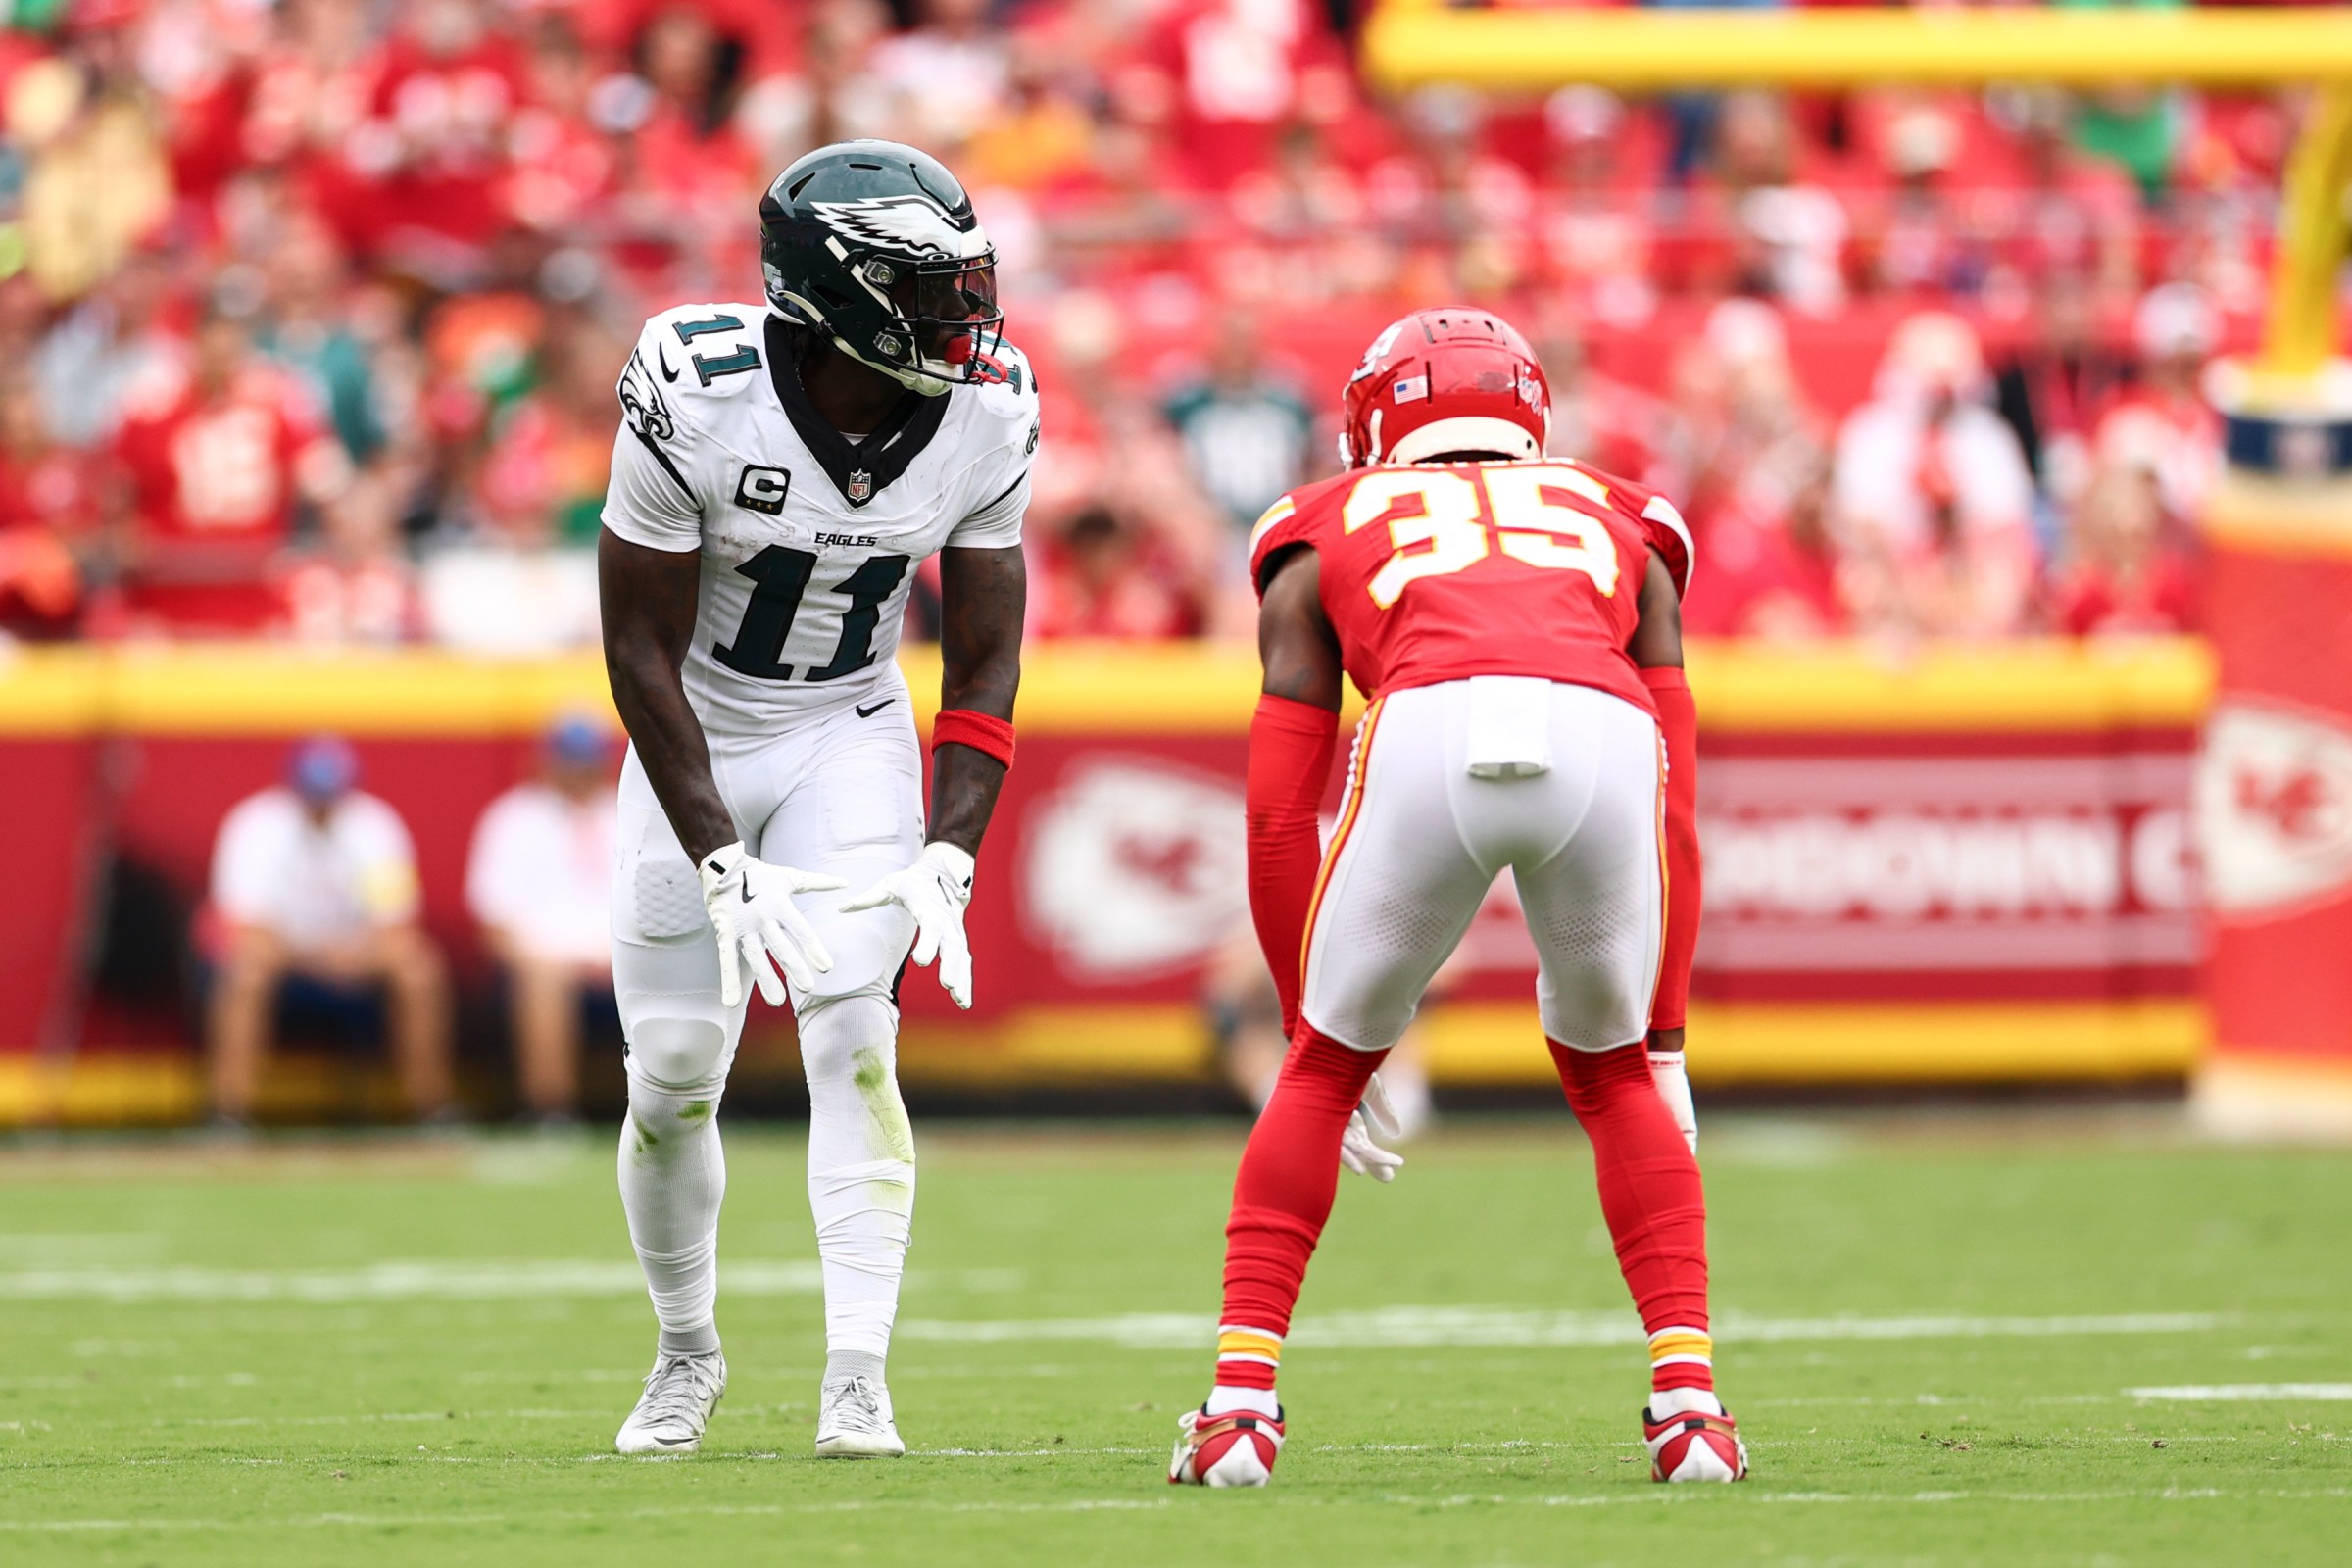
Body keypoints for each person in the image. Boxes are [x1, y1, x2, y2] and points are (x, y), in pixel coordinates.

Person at [1167, 308, 1739, 1489]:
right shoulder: (1624, 514)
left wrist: (1301, 1035)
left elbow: (1279, 812)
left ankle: (1239, 1410)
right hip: (1602, 729)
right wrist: (1670, 1029)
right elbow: (1678, 802)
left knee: (1323, 1069)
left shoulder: (1320, 523)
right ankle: (1691, 1412)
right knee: (1617, 1070)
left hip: (1426, 721)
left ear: (1377, 419)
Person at [597, 140, 1033, 1459]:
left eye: (970, 283)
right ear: (837, 292)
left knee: (855, 1033)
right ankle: (687, 1352)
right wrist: (719, 855)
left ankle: (858, 1376)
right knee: (674, 1073)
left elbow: (988, 652)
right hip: (701, 727)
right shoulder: (698, 384)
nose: (968, 317)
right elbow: (634, 651)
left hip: (850, 722)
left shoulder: (992, 406)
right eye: (932, 288)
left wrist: (952, 850)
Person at [206, 735, 453, 1126]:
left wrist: (354, 953)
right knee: (246, 971)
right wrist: (314, 956)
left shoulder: (374, 824)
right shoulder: (256, 824)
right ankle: (228, 1111)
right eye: (313, 792)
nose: (322, 803)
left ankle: (432, 1107)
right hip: (286, 954)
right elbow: (244, 925)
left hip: (356, 954)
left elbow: (396, 921)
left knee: (418, 968)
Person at [466, 714, 619, 1123]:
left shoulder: (629, 813)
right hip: (545, 961)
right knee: (544, 978)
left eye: (586, 763)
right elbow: (493, 924)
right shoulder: (514, 819)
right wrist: (546, 961)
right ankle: (552, 1110)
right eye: (570, 762)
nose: (579, 773)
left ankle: (692, 1110)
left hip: (626, 957)